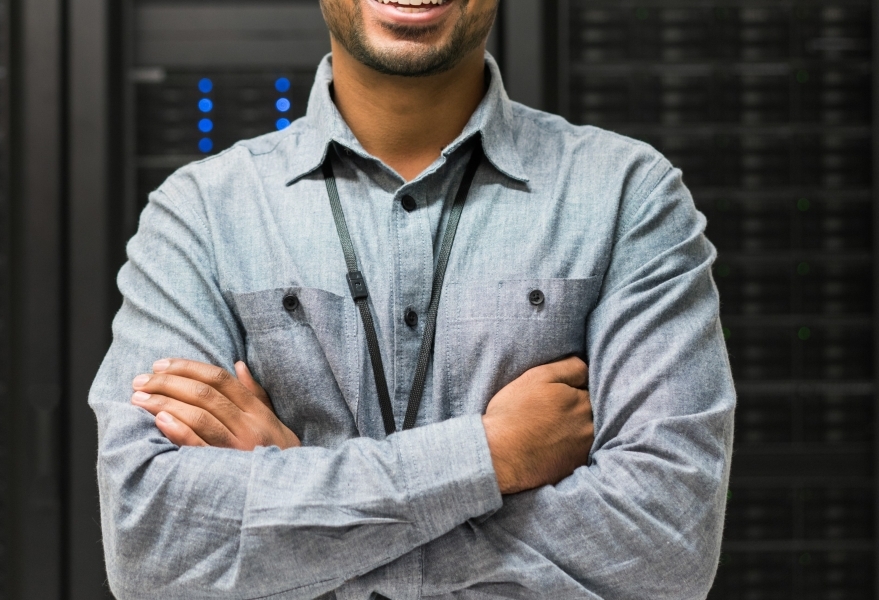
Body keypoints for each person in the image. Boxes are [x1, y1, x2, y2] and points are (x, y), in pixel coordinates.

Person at [89, 0, 736, 597]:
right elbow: (151, 549)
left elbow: (665, 547)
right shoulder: (202, 213)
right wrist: (489, 455)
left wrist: (300, 494)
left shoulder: (627, 197)